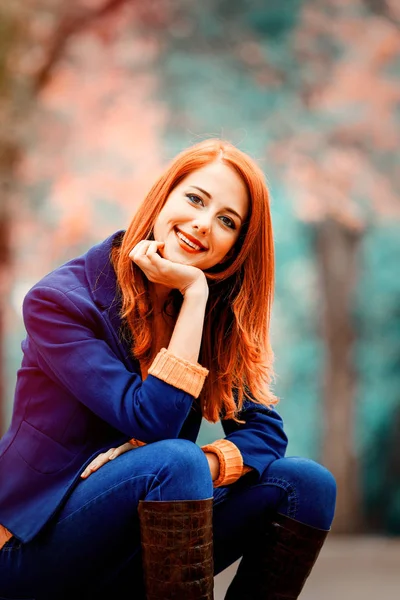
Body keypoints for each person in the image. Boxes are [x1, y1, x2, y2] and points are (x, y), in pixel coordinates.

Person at [0, 138, 336, 600]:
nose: (203, 224)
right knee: (173, 461)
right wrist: (196, 295)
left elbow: (267, 432)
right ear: (165, 196)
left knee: (306, 485)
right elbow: (152, 422)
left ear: (234, 248)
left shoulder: (206, 316)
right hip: (31, 545)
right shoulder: (59, 301)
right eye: (195, 199)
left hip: (138, 533)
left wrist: (210, 463)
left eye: (227, 221)